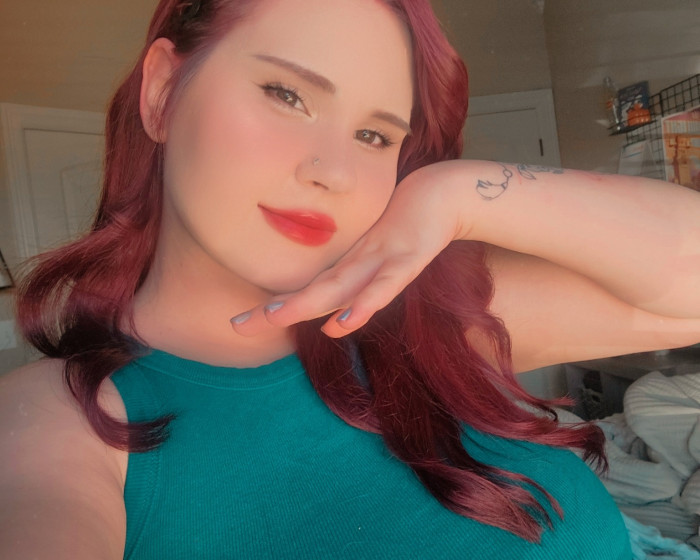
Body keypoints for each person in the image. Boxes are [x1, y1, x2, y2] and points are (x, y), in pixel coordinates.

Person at [1, 0, 699, 558]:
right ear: (161, 94)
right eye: (286, 94)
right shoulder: (56, 423)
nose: (333, 172)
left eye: (375, 136)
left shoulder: (429, 323)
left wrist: (455, 191)